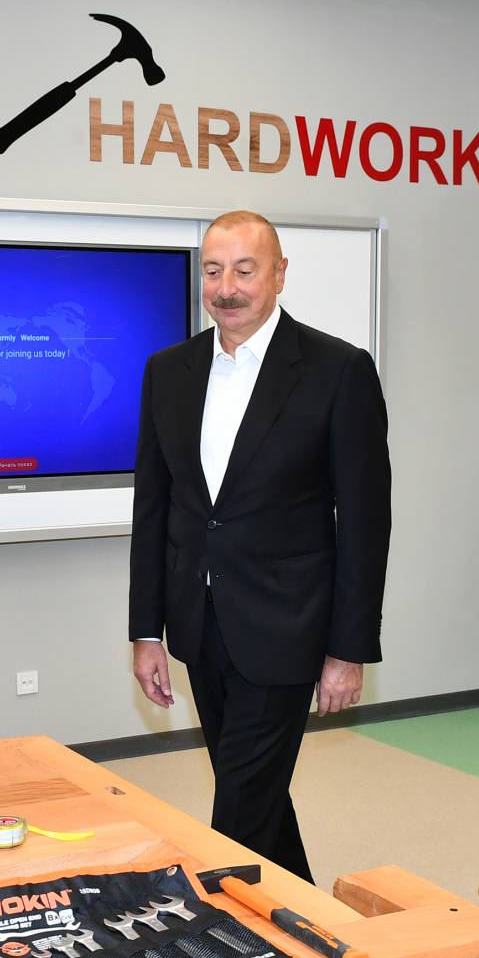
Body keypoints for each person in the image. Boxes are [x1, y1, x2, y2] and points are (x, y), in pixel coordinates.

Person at [128, 211, 391, 881]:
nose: (227, 288)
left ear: (279, 274)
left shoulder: (337, 371)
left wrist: (348, 650)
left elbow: (366, 521)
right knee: (257, 795)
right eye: (213, 270)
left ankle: (218, 924)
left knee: (240, 810)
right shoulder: (169, 371)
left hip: (288, 627)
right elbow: (154, 510)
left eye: (244, 270)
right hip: (198, 624)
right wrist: (146, 631)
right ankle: (309, 913)